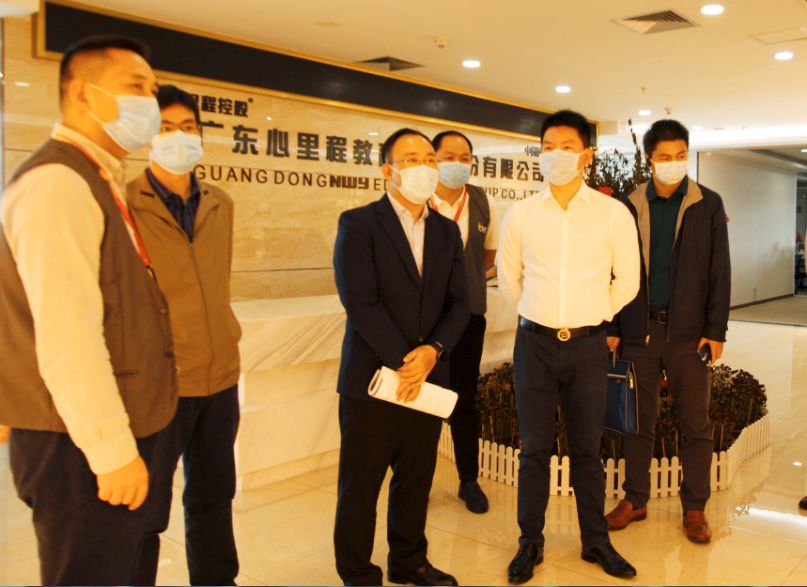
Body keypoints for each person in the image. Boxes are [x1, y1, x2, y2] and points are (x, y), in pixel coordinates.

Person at [0, 36, 177, 585]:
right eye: (136, 87)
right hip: (76, 448)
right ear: (82, 93)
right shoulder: (57, 184)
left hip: (111, 432)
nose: (150, 101)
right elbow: (68, 337)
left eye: (152, 89)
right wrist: (110, 452)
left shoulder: (98, 177)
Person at [498, 110, 640, 582]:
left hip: (588, 346)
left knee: (587, 449)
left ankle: (595, 541)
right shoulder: (521, 213)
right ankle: (530, 542)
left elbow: (628, 281)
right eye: (548, 147)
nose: (555, 155)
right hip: (534, 344)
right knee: (534, 449)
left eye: (566, 147)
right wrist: (541, 314)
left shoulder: (612, 213)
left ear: (586, 155)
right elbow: (509, 281)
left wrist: (592, 316)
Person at [332, 128, 470, 586]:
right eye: (411, 159)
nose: (424, 167)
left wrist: (433, 352)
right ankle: (357, 572)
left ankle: (409, 561)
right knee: (361, 485)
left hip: (427, 379)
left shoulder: (446, 231)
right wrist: (406, 361)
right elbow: (361, 302)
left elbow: (459, 304)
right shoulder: (359, 224)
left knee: (415, 479)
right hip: (373, 379)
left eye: (430, 159)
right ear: (387, 170)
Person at [127, 84, 241, 585]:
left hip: (220, 377)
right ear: (147, 136)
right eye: (166, 128)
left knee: (214, 496)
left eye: (188, 127)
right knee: (144, 511)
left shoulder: (220, 203)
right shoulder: (125, 204)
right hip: (159, 382)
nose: (179, 137)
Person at [605, 119, 731, 544]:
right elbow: (613, 268)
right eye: (665, 157)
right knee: (637, 421)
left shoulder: (706, 204)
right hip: (638, 331)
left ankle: (694, 507)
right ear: (649, 159)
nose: (674, 163)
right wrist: (613, 325)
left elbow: (719, 270)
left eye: (680, 155)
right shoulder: (627, 204)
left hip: (689, 335)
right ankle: (635, 498)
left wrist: (716, 329)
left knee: (695, 422)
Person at [431, 130, 499, 514]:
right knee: (420, 399)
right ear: (433, 159)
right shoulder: (420, 198)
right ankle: (415, 479)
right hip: (425, 319)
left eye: (464, 157)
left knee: (464, 398)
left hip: (470, 314)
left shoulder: (481, 200)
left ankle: (468, 480)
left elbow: (487, 255)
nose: (457, 164)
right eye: (448, 156)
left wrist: (464, 282)